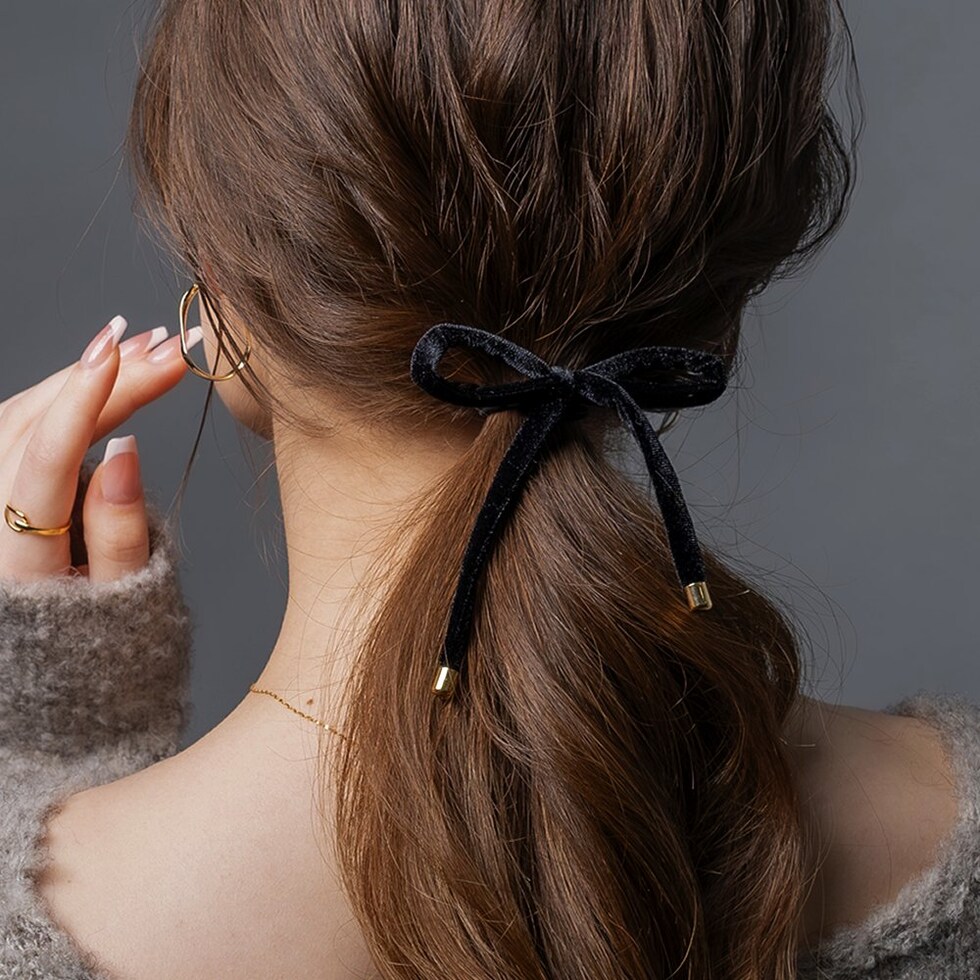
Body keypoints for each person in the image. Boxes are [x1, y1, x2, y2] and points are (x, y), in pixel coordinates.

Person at [0, 1, 976, 977]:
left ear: (225, 282)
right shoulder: (955, 833)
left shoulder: (53, 926)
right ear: (715, 292)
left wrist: (56, 750)